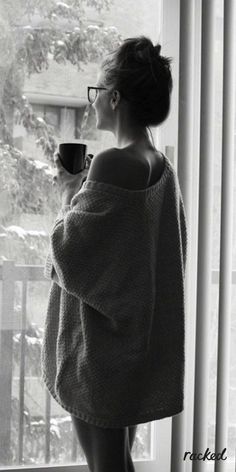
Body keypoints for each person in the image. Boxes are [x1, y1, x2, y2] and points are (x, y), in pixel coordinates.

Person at [43, 35, 188, 472]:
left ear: (116, 96)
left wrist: (71, 190)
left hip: (101, 354)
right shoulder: (161, 165)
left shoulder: (113, 161)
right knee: (118, 464)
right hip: (132, 346)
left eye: (98, 91)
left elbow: (68, 252)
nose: (94, 101)